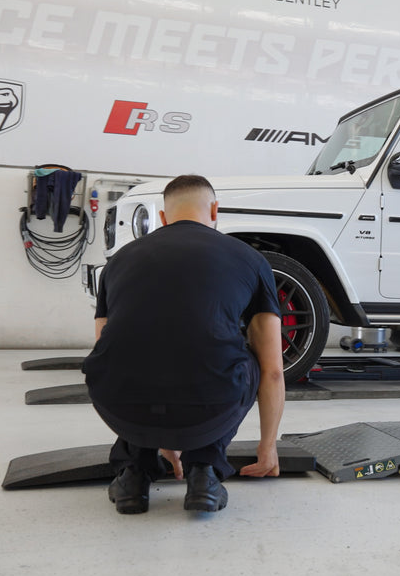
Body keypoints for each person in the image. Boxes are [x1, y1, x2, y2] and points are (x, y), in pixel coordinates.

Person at [81, 174, 284, 515]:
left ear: (163, 217)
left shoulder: (119, 261)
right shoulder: (250, 259)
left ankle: (132, 475)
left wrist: (164, 437)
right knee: (249, 358)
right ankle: (205, 472)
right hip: (208, 408)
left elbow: (108, 347)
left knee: (129, 351)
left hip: (117, 405)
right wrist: (268, 447)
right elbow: (273, 370)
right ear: (215, 210)